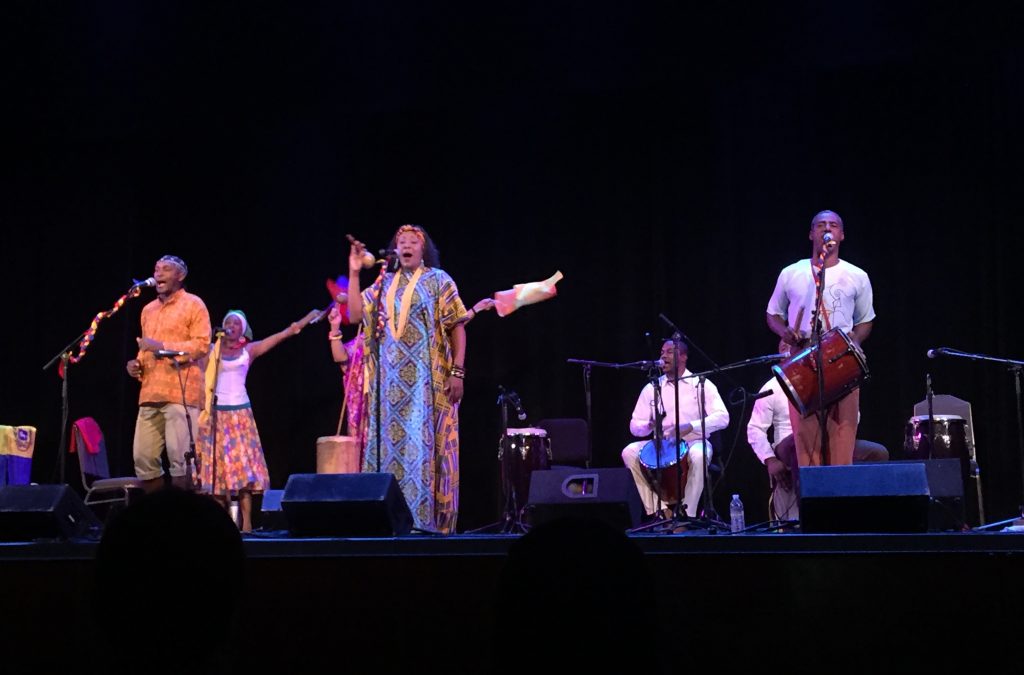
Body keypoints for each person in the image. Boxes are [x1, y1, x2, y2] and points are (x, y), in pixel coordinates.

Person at [346, 225, 468, 534]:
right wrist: (354, 271)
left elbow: (458, 325)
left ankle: (422, 523)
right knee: (387, 454)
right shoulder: (383, 283)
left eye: (414, 241)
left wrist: (458, 371)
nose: (407, 245)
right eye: (402, 242)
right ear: (395, 250)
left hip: (427, 386)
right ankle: (386, 521)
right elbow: (355, 315)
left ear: (423, 250)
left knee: (423, 451)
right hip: (388, 390)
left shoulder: (439, 281)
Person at [766, 209, 875, 468]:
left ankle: (841, 503)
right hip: (802, 360)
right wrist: (786, 333)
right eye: (821, 225)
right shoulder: (791, 273)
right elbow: (773, 314)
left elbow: (865, 320)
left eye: (834, 225)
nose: (827, 229)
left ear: (842, 235)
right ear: (811, 233)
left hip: (841, 360)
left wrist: (856, 341)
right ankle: (813, 505)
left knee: (842, 440)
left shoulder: (857, 276)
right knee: (807, 446)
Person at [197, 308, 319, 531]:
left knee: (242, 472)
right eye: (228, 323)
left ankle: (247, 525)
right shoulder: (211, 351)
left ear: (242, 329)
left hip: (240, 414)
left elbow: (284, 334)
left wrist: (307, 318)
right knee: (217, 474)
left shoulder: (248, 350)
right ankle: (220, 525)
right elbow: (192, 361)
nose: (231, 326)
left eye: (236, 324)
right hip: (216, 415)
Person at [747, 366, 889, 520]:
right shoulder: (772, 386)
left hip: (827, 441)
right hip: (788, 444)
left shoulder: (828, 382)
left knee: (877, 453)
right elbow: (755, 429)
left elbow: (853, 418)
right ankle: (810, 512)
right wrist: (770, 460)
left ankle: (863, 513)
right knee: (798, 442)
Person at [125, 255, 211, 492]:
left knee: (181, 462)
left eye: (166, 269)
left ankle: (181, 518)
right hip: (150, 392)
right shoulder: (147, 310)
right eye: (156, 269)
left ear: (180, 276)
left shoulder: (194, 304)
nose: (159, 273)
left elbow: (202, 345)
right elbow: (145, 349)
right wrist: (136, 365)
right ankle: (159, 514)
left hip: (180, 392)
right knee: (143, 458)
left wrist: (161, 346)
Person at [621, 339, 730, 519]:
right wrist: (648, 425)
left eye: (669, 352)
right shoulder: (652, 388)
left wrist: (691, 426)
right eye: (662, 352)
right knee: (629, 452)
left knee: (699, 455)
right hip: (662, 445)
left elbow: (723, 417)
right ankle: (661, 511)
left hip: (693, 441)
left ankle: (687, 514)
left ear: (684, 357)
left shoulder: (700, 384)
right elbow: (634, 426)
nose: (663, 356)